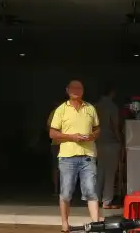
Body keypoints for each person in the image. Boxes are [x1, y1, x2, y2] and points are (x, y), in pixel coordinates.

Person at [49, 80, 100, 232]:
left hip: (88, 156)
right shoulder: (61, 109)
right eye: (73, 88)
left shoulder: (90, 108)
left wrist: (93, 136)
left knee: (91, 190)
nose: (76, 90)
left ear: (83, 90)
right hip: (67, 157)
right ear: (67, 90)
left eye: (79, 88)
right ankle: (65, 223)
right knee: (66, 192)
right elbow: (52, 133)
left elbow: (97, 128)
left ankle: (96, 224)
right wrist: (72, 137)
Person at [95, 81, 122, 209]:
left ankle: (95, 198)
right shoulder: (112, 107)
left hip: (98, 142)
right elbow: (114, 126)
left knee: (99, 170)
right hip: (111, 142)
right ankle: (107, 200)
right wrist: (120, 140)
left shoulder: (95, 106)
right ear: (112, 92)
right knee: (110, 172)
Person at [47, 108, 61, 194]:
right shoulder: (72, 111)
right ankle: (61, 189)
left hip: (57, 143)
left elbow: (48, 128)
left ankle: (56, 189)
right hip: (67, 143)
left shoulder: (54, 112)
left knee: (56, 166)